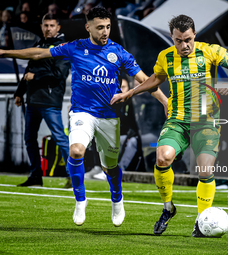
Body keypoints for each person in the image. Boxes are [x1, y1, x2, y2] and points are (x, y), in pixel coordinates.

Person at [0, 6, 168, 227]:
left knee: (110, 167)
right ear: (88, 27)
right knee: (76, 150)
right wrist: (4, 52)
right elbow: (39, 53)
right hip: (82, 113)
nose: (105, 31)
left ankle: (117, 198)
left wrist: (165, 101)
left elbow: (144, 79)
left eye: (108, 27)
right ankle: (80, 200)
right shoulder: (75, 47)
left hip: (108, 117)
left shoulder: (119, 52)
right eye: (100, 27)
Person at [111, 14, 228, 237]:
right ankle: (168, 208)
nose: (184, 45)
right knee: (162, 157)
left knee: (205, 169)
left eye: (187, 39)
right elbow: (155, 79)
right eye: (178, 40)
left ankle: (201, 222)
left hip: (206, 122)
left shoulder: (210, 51)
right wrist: (130, 92)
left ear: (194, 34)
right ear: (172, 38)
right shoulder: (165, 56)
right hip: (177, 121)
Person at [13, 13, 71, 188]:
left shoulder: (63, 48)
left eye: (52, 25)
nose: (48, 28)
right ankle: (35, 176)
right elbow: (28, 71)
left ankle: (73, 176)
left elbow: (59, 74)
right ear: (41, 27)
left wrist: (35, 76)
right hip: (32, 101)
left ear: (58, 27)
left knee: (60, 138)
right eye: (45, 25)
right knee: (30, 139)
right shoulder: (38, 45)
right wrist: (19, 92)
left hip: (50, 101)